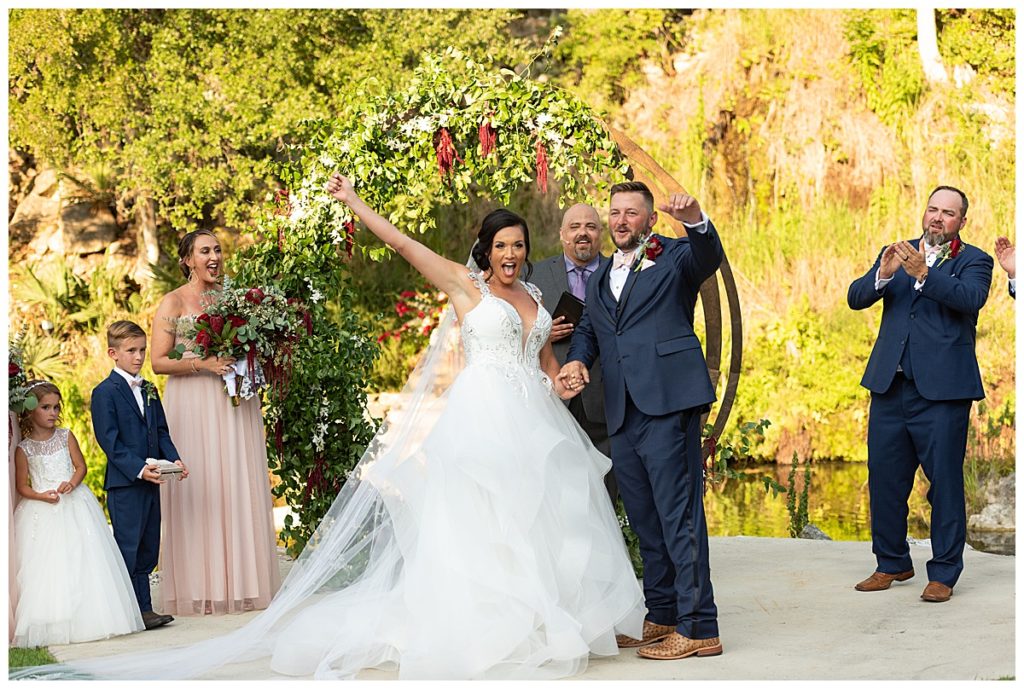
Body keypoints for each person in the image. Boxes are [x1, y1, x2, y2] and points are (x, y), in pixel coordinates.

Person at [10, 181, 645, 682]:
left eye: (517, 244)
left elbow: (549, 365)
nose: (509, 254)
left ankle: (550, 617)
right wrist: (353, 204)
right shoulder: (465, 286)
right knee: (486, 521)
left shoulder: (536, 296)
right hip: (483, 419)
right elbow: (401, 244)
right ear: (486, 250)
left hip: (534, 418)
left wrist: (567, 379)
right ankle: (492, 622)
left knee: (544, 516)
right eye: (500, 245)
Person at [558, 180, 724, 661]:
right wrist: (579, 361)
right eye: (615, 212)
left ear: (650, 219)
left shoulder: (675, 257)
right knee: (647, 519)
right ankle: (664, 615)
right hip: (623, 410)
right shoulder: (603, 272)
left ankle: (700, 626)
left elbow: (707, 256)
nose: (621, 220)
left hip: (668, 403)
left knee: (678, 516)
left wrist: (694, 219)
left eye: (632, 213)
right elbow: (591, 327)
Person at [847, 185, 992, 603]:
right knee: (885, 481)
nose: (937, 218)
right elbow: (857, 298)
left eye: (948, 213)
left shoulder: (975, 260)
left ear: (961, 221)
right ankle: (892, 562)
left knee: (944, 484)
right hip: (890, 387)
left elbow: (970, 299)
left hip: (943, 393)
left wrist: (926, 275)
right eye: (933, 209)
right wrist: (886, 273)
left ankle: (944, 573)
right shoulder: (896, 250)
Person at [151, 230, 281, 615]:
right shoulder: (172, 301)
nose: (214, 256)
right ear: (188, 259)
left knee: (235, 482)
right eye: (205, 251)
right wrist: (202, 364)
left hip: (234, 401)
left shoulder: (234, 298)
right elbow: (157, 362)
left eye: (218, 249)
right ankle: (199, 587)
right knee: (202, 487)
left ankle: (241, 584)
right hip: (192, 401)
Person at [13, 380, 145, 646]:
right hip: (43, 509)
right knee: (48, 566)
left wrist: (72, 482)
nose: (53, 412)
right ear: (29, 411)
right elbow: (22, 486)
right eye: (45, 407)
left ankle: (95, 617)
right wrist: (41, 496)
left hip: (75, 503)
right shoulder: (23, 449)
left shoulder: (66, 436)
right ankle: (53, 621)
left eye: (56, 407)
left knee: (85, 558)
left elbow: (80, 466)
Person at [91, 320, 188, 631]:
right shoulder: (104, 392)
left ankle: (144, 609)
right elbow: (109, 441)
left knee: (148, 545)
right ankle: (129, 610)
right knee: (128, 546)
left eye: (142, 350)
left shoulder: (148, 388)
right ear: (113, 353)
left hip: (153, 479)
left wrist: (174, 458)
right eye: (131, 350)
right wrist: (138, 468)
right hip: (126, 483)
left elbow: (160, 431)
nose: (138, 356)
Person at [531, 203, 616, 500]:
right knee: (552, 482)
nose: (583, 232)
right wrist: (542, 333)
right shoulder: (534, 274)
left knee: (604, 483)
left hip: (603, 392)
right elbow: (511, 328)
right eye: (575, 227)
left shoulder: (618, 273)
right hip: (550, 392)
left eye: (591, 226)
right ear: (562, 235)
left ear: (601, 234)